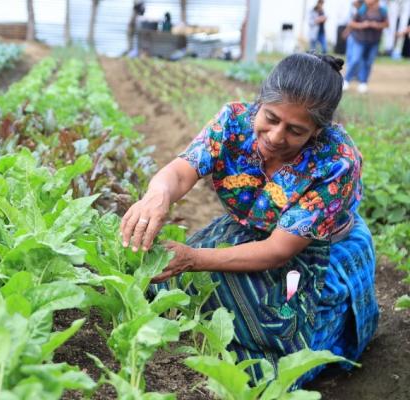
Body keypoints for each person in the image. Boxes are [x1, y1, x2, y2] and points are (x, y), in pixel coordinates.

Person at [121, 53, 378, 386]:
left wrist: (195, 259)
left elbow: (279, 250)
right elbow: (181, 172)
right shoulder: (233, 121)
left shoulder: (337, 161)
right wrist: (157, 196)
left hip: (315, 250)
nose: (275, 136)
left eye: (295, 131)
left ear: (317, 131)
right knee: (167, 282)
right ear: (261, 101)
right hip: (249, 228)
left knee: (273, 355)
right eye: (270, 118)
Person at [343, 0, 388, 93]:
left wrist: (377, 25)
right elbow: (352, 23)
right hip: (359, 40)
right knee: (356, 60)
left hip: (374, 41)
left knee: (368, 62)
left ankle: (363, 83)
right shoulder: (362, 9)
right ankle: (346, 80)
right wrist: (362, 25)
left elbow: (387, 24)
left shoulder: (382, 11)